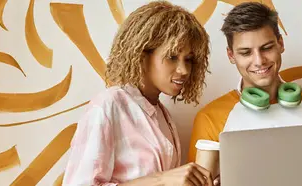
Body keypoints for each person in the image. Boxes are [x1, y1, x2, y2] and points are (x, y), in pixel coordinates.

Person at [62, 1, 215, 186]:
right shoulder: (108, 106)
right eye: (172, 57)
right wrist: (161, 180)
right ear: (142, 56)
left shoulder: (163, 117)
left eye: (189, 60)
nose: (183, 70)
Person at [187, 2, 302, 163]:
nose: (259, 61)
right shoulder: (210, 118)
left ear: (280, 44)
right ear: (231, 55)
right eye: (246, 52)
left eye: (266, 48)